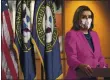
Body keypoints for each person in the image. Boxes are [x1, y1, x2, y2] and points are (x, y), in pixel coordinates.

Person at [65, 5, 107, 80]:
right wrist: (80, 65)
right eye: (84, 17)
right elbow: (71, 58)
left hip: (93, 76)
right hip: (77, 76)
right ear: (77, 19)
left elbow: (99, 56)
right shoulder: (71, 34)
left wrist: (104, 67)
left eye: (89, 17)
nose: (87, 19)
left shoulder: (95, 34)